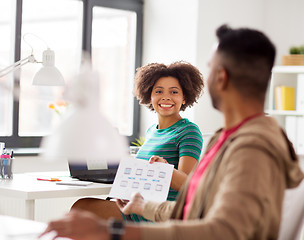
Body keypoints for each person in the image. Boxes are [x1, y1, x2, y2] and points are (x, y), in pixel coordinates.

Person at [40, 25, 304, 240]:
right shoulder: (229, 139)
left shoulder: (251, 149)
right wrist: (145, 207)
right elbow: (198, 210)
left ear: (221, 77)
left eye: (210, 68)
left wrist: (113, 231)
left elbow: (224, 231)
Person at [70, 61, 204, 221]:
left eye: (174, 92)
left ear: (184, 98)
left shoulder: (189, 131)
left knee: (81, 209)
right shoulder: (152, 131)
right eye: (159, 91)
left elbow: (188, 186)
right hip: (138, 203)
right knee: (82, 209)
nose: (166, 97)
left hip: (160, 211)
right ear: (150, 96)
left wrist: (165, 170)